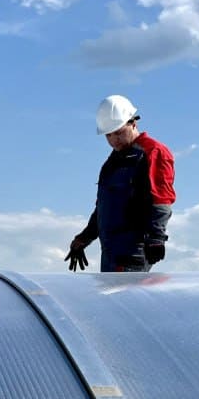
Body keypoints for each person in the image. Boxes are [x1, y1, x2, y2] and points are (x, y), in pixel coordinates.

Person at [64, 95, 176, 272]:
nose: (114, 139)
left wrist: (156, 238)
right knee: (110, 299)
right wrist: (83, 239)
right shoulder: (113, 162)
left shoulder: (152, 151)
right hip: (110, 252)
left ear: (133, 123)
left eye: (118, 132)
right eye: (108, 135)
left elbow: (161, 200)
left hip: (133, 252)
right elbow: (104, 207)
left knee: (125, 299)